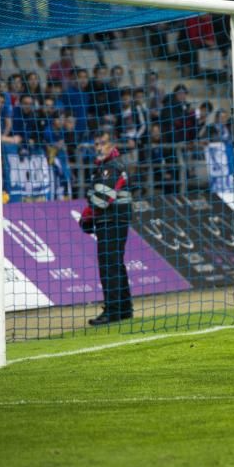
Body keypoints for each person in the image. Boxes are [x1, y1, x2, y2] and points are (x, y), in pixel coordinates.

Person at [78, 129, 134, 325]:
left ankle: (112, 310)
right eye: (96, 144)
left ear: (112, 145)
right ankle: (124, 308)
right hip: (116, 220)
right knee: (116, 264)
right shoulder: (112, 165)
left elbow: (102, 200)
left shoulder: (110, 168)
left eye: (102, 143)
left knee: (108, 265)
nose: (99, 147)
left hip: (112, 221)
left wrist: (88, 210)